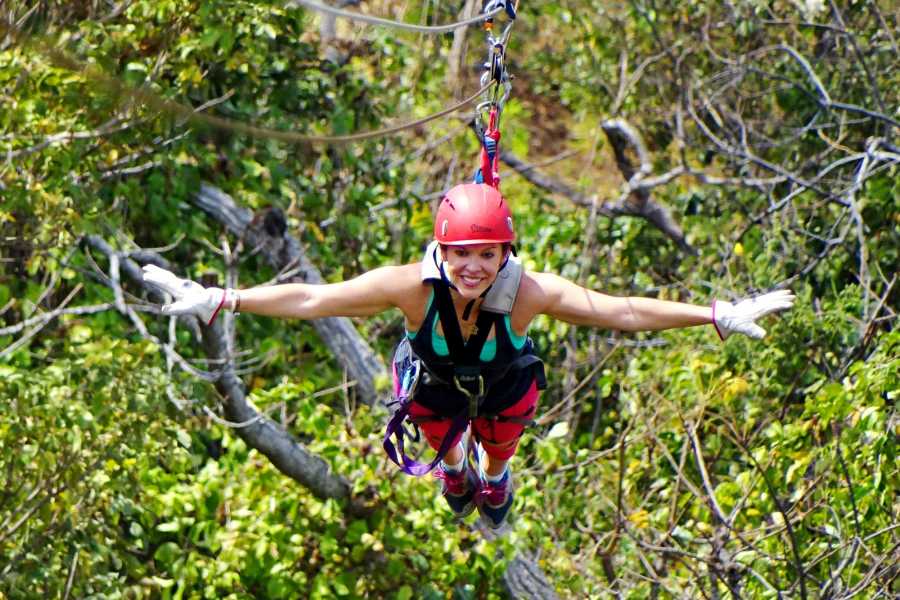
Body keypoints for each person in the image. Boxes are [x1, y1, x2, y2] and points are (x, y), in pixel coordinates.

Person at [142, 183, 795, 529]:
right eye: (462, 254)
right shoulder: (409, 288)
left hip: (504, 379)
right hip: (435, 381)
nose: (475, 267)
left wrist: (714, 315)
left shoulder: (528, 294)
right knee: (443, 432)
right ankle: (456, 469)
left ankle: (496, 472)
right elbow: (315, 297)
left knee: (504, 431)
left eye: (489, 254)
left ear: (506, 254)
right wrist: (220, 298)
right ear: (441, 252)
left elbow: (622, 309)